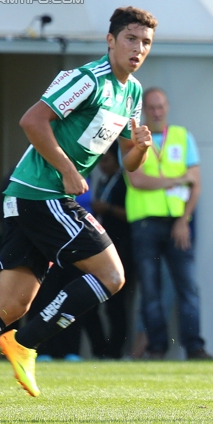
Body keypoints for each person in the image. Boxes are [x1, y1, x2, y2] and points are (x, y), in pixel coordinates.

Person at [0, 6, 158, 403]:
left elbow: (129, 161)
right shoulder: (86, 79)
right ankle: (25, 343)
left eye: (145, 42)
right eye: (131, 39)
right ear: (110, 40)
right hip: (42, 194)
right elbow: (32, 120)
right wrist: (66, 170)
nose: (138, 48)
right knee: (112, 276)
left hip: (28, 197)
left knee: (11, 303)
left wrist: (142, 148)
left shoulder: (132, 91)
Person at [125, 87, 211, 361]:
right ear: (144, 110)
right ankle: (157, 348)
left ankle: (194, 347)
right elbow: (136, 179)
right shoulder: (132, 138)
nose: (157, 112)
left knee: (188, 287)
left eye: (160, 106)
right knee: (150, 289)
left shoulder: (182, 136)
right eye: (151, 107)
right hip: (145, 223)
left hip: (178, 222)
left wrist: (184, 220)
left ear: (168, 107)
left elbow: (196, 182)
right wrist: (174, 180)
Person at [91, 142, 136, 359]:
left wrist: (107, 208)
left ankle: (116, 350)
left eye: (106, 160)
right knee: (102, 303)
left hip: (122, 247)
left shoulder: (124, 182)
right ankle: (103, 349)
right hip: (102, 246)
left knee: (117, 303)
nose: (101, 165)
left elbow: (131, 213)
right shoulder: (102, 181)